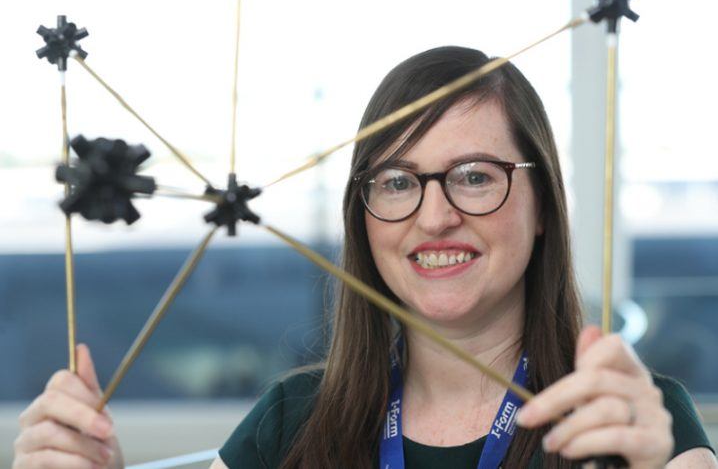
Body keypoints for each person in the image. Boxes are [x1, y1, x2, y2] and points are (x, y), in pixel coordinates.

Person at [13, 47, 717, 469]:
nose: (434, 215)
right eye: (399, 181)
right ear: (365, 217)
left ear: (542, 209)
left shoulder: (633, 419)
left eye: (474, 174)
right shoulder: (293, 420)